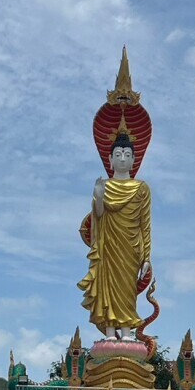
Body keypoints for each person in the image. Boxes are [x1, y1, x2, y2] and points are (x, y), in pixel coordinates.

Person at [77, 127, 151, 341]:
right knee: (108, 287)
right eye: (117, 155)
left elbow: (145, 224)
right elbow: (98, 216)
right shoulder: (104, 186)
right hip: (109, 245)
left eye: (127, 155)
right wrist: (99, 197)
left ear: (134, 160)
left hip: (130, 247)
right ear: (109, 159)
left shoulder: (141, 188)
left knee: (127, 290)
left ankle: (127, 331)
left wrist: (147, 256)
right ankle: (110, 331)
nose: (122, 159)